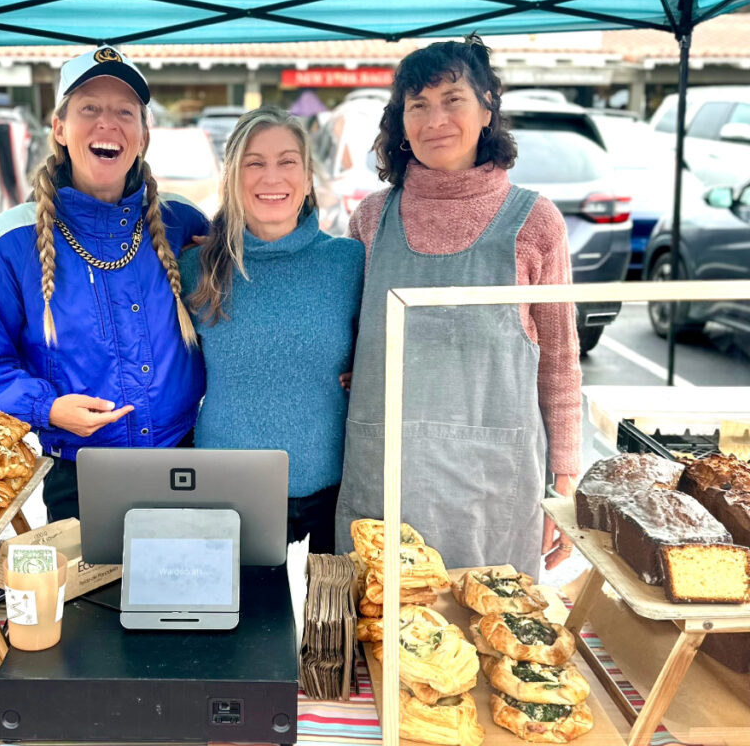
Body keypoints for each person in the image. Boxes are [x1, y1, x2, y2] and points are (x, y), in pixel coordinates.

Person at [334, 35, 582, 575]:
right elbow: (349, 337)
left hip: (492, 488)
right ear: (399, 122)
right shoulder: (370, 220)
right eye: (416, 105)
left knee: (488, 636)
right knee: (374, 647)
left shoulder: (536, 222)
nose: (434, 119)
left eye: (453, 99)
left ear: (487, 107)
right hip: (384, 479)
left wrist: (565, 479)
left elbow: (560, 361)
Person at [0, 46, 207, 522]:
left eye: (124, 112)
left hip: (187, 461)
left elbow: (241, 314)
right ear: (60, 129)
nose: (107, 124)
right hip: (80, 474)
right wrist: (47, 408)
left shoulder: (182, 223)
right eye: (89, 108)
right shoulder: (7, 242)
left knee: (185, 593)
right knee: (90, 598)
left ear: (143, 135)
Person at [180, 106, 364, 554]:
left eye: (287, 162)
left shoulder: (349, 262)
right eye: (254, 163)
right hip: (229, 489)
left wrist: (367, 375)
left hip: (336, 489)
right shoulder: (194, 268)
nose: (272, 177)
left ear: (306, 178)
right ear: (232, 178)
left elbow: (377, 353)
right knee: (242, 624)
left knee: (334, 624)